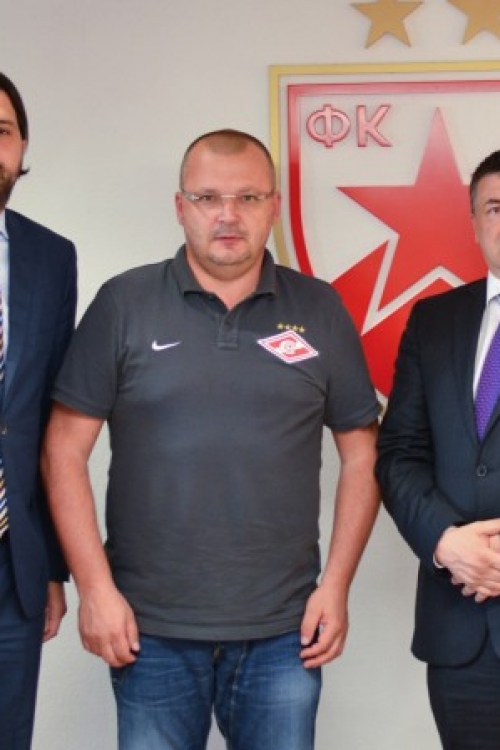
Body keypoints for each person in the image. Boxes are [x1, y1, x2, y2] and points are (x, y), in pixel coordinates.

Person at [41, 128, 380, 750]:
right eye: (207, 198)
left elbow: (363, 452)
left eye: (248, 198)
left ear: (274, 207)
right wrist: (95, 589)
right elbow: (63, 449)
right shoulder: (123, 303)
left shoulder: (321, 308)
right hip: (149, 628)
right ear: (180, 207)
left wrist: (335, 585)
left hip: (285, 630)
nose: (228, 215)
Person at [376, 149, 500, 750]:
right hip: (460, 632)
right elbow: (398, 452)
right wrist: (445, 542)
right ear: (473, 222)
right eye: (495, 207)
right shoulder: (434, 320)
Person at [0, 72, 77, 750]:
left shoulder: (50, 257)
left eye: (0, 132)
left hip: (12, 567)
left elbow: (51, 423)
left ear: (21, 147)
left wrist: (51, 564)